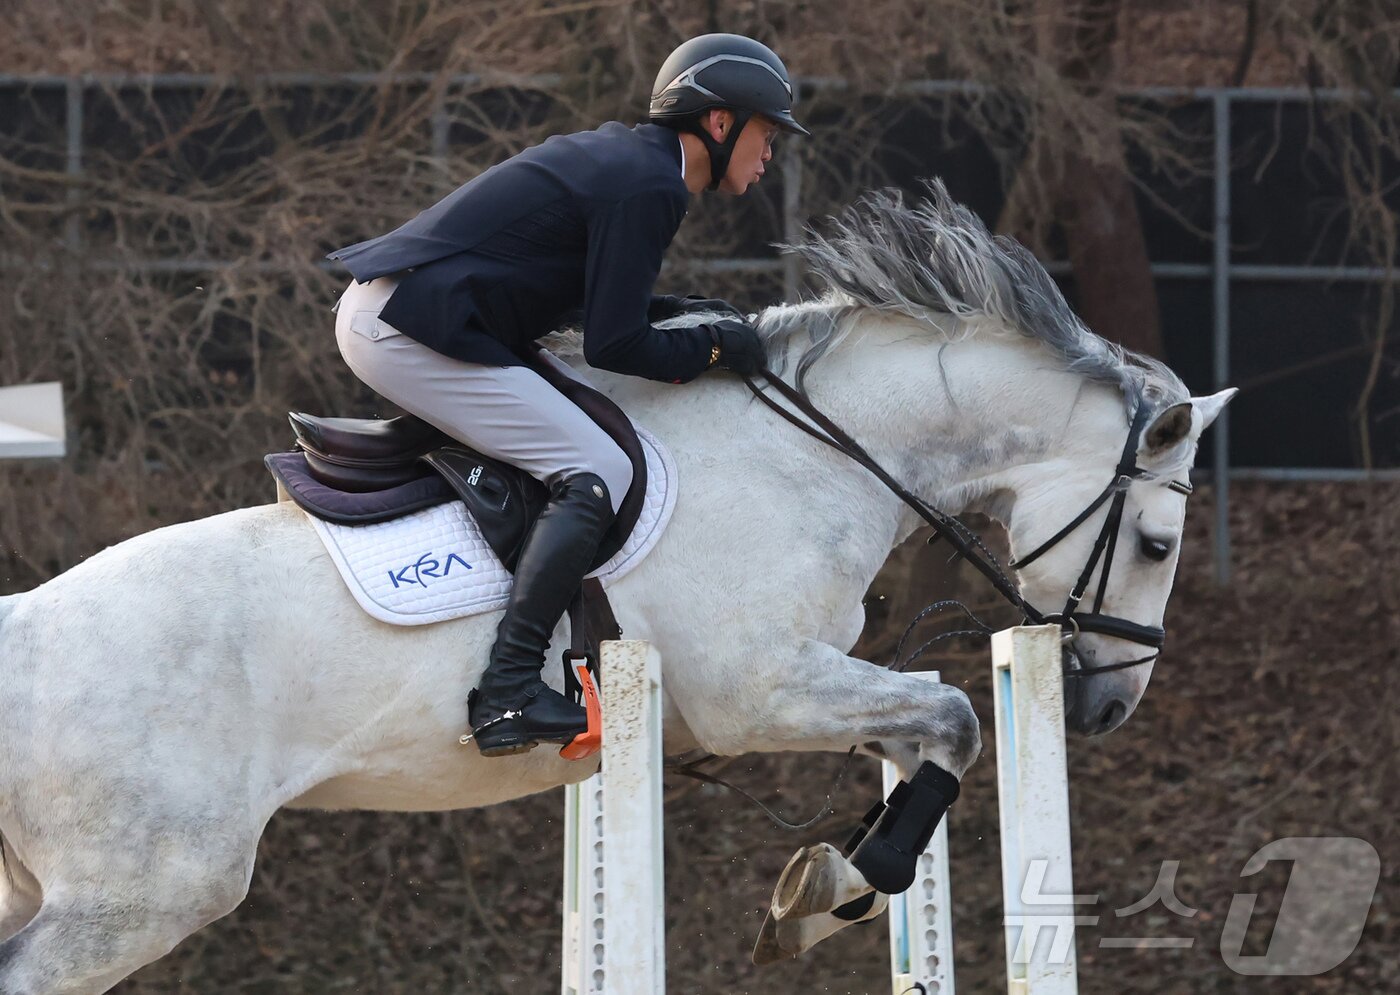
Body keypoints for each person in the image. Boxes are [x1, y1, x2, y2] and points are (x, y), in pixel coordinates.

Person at [327, 33, 808, 758]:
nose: (770, 152)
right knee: (600, 466)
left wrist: (685, 313)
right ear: (719, 123)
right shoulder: (649, 185)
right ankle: (508, 689)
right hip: (403, 328)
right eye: (767, 133)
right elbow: (616, 344)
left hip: (412, 313)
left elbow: (601, 303)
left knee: (591, 433)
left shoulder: (638, 165)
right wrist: (716, 348)